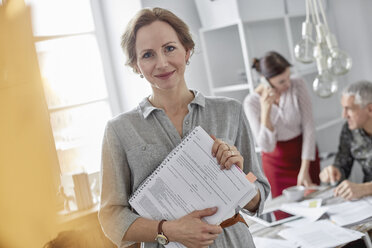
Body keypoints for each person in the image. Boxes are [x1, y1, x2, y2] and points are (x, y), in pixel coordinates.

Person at [98, 7, 270, 248]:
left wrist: (241, 178)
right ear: (136, 65)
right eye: (147, 55)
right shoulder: (119, 130)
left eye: (169, 48)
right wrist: (168, 230)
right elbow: (111, 217)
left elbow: (257, 190)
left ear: (187, 51)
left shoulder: (230, 111)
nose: (162, 63)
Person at [243, 51, 320, 198]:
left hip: (305, 157)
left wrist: (304, 169)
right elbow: (266, 146)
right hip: (276, 165)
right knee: (284, 212)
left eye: (288, 77)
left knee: (314, 204)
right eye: (281, 81)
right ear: (265, 80)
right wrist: (266, 111)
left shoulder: (297, 85)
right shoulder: (251, 103)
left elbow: (309, 127)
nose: (288, 84)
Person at [319, 80, 372, 200]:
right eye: (343, 108)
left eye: (349, 109)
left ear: (370, 109)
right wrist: (334, 172)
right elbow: (343, 165)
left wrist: (365, 188)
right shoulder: (349, 130)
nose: (344, 115)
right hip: (366, 202)